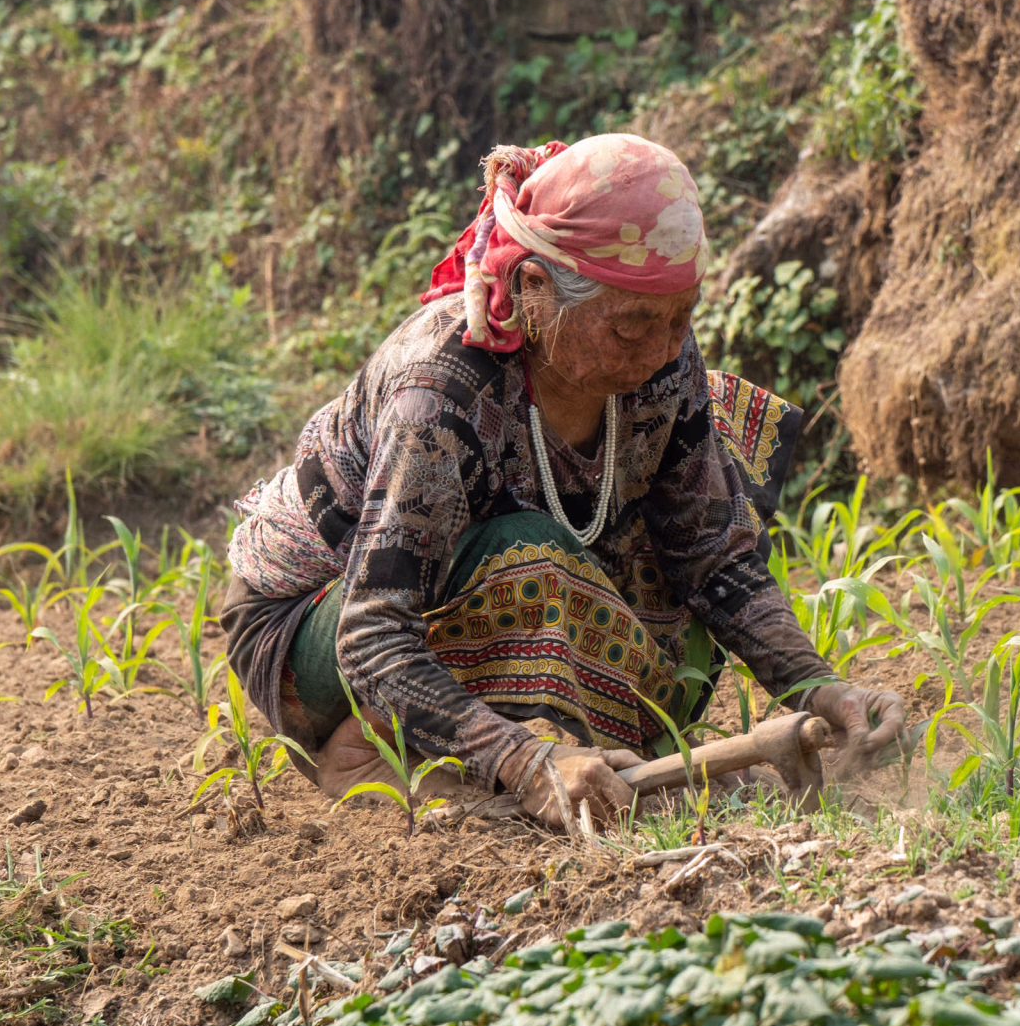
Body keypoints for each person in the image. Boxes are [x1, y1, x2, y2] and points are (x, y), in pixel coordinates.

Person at [220, 134, 905, 834]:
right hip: (317, 633)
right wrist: (521, 760)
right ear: (535, 293)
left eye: (682, 317)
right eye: (635, 325)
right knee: (531, 554)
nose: (666, 348)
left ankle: (578, 754)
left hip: (457, 594)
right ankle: (367, 752)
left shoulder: (663, 364)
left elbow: (717, 559)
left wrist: (818, 687)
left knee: (690, 601)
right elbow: (372, 633)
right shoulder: (440, 395)